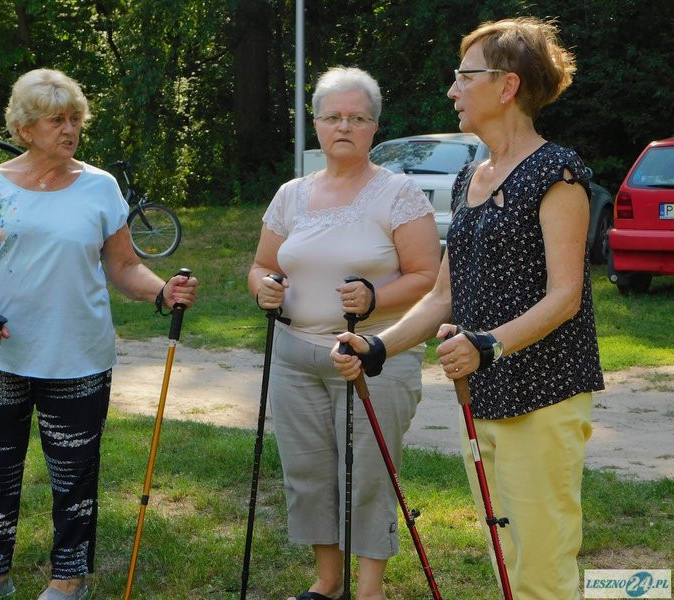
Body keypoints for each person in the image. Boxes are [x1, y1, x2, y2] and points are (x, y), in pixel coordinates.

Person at [332, 18, 604, 600]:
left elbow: (565, 296)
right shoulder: (470, 178)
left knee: (542, 563)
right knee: (504, 555)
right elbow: (442, 296)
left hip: (544, 392)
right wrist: (379, 346)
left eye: (464, 76)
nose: (452, 90)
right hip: (480, 394)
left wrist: (489, 344)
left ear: (507, 86)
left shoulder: (557, 174)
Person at [0, 68, 198, 600]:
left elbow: (124, 266)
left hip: (79, 357)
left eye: (75, 118)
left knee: (75, 477)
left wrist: (161, 291)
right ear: (25, 128)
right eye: (56, 120)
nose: (70, 129)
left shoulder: (99, 187)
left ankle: (68, 580)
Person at [249, 66, 440, 600]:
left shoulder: (399, 194)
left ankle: (369, 588)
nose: (344, 127)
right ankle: (329, 582)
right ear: (316, 124)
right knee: (308, 472)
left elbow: (428, 277)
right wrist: (264, 288)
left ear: (374, 127)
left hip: (373, 354)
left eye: (357, 118)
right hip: (294, 354)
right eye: (333, 117)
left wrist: (376, 298)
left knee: (370, 472)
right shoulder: (291, 195)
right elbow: (262, 265)